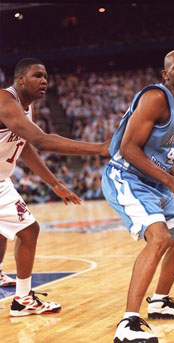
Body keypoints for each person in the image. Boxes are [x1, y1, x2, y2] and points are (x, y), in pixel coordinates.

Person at [102, 49, 174, 343]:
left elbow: (160, 155)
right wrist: (171, 182)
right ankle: (128, 322)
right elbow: (129, 149)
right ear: (166, 74)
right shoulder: (155, 98)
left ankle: (160, 301)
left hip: (154, 181)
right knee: (159, 238)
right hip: (126, 177)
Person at [0, 58, 109, 316]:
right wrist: (99, 148)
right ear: (20, 79)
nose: (44, 80)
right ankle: (23, 300)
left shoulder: (25, 109)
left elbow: (24, 146)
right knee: (29, 231)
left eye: (46, 76)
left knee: (4, 231)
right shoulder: (5, 102)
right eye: (38, 75)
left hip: (2, 180)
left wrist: (54, 183)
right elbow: (41, 141)